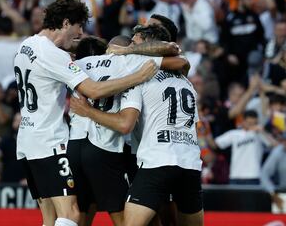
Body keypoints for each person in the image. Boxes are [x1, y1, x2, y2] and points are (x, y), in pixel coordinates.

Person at [13, 0, 160, 226]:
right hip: (50, 141)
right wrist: (137, 76)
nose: (80, 34)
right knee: (70, 214)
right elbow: (93, 90)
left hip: (27, 140)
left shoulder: (26, 45)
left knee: (49, 218)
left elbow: (66, 50)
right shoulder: (54, 55)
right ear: (65, 23)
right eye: (78, 26)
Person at [70, 25, 203, 226]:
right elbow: (181, 58)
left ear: (145, 43)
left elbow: (126, 123)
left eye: (134, 40)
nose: (130, 43)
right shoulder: (185, 78)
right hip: (190, 161)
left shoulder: (138, 69)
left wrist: (87, 111)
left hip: (157, 160)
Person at [214, 110, 277, 185]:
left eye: (255, 123)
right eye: (249, 123)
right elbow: (216, 143)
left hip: (253, 176)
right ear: (243, 122)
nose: (252, 125)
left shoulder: (259, 134)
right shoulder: (234, 133)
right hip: (235, 176)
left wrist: (262, 131)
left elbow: (275, 145)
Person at [260, 132, 286, 212]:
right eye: (284, 140)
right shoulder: (278, 151)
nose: (284, 143)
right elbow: (264, 174)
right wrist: (273, 193)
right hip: (283, 194)